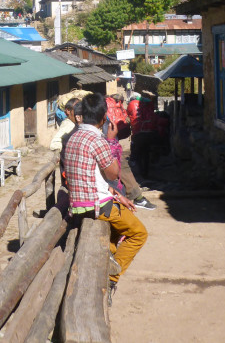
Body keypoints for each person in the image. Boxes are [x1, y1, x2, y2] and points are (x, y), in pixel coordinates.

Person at [63, 92, 148, 305]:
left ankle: (107, 262)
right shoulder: (97, 139)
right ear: (103, 117)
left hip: (79, 204)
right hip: (98, 206)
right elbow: (112, 174)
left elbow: (96, 178)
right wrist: (111, 141)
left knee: (112, 238)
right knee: (139, 233)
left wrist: (119, 196)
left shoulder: (73, 137)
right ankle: (111, 278)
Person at [106, 94, 157, 210]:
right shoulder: (145, 105)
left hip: (137, 133)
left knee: (135, 157)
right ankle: (141, 182)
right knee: (139, 158)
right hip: (149, 132)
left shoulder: (128, 106)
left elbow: (130, 117)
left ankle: (138, 178)